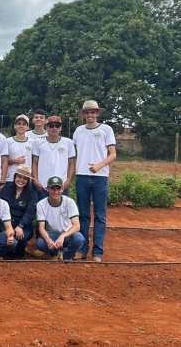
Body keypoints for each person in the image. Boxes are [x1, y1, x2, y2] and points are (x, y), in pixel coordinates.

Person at [72, 100, 116, 262]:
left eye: (92, 112)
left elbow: (112, 154)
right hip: (82, 176)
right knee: (83, 215)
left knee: (100, 215)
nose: (90, 115)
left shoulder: (106, 130)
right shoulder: (78, 131)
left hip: (100, 177)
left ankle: (97, 252)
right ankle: (83, 249)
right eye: (87, 112)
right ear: (83, 114)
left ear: (97, 113)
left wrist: (99, 165)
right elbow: (75, 153)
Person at [36, 176, 85, 261]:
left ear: (62, 189)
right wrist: (48, 240)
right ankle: (56, 253)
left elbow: (77, 226)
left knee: (79, 238)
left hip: (67, 234)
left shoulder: (69, 202)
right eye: (53, 189)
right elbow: (41, 228)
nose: (56, 192)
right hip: (52, 234)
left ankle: (67, 256)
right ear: (47, 189)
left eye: (58, 189)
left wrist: (62, 236)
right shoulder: (41, 204)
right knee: (40, 243)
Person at [0, 165, 39, 259]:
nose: (21, 180)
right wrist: (4, 228)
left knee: (21, 239)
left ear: (28, 181)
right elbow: (0, 209)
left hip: (22, 225)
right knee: (2, 237)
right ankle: (4, 252)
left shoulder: (32, 194)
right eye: (19, 177)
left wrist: (20, 226)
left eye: (25, 178)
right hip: (5, 223)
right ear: (15, 177)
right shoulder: (5, 189)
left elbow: (30, 212)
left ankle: (18, 256)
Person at [31, 115, 75, 200]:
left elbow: (72, 163)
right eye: (51, 126)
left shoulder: (68, 142)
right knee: (41, 211)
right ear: (47, 128)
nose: (54, 128)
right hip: (43, 186)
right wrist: (35, 181)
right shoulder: (38, 142)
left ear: (60, 128)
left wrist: (68, 181)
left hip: (60, 186)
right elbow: (35, 163)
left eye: (57, 126)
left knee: (61, 211)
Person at [5, 114, 33, 182]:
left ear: (27, 127)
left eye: (24, 124)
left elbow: (35, 162)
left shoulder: (33, 142)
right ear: (15, 126)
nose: (21, 126)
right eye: (19, 124)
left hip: (26, 180)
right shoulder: (8, 141)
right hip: (10, 179)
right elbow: (2, 161)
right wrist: (15, 161)